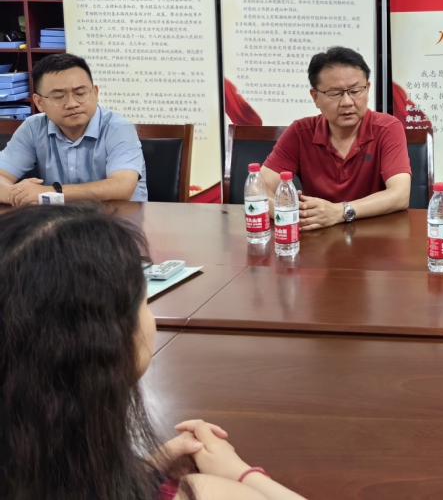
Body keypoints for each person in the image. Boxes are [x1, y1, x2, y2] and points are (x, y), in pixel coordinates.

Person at [0, 203, 308, 499]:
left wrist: (145, 468)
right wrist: (241, 474)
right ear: (105, 338)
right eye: (145, 302)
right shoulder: (206, 493)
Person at [262, 47, 410, 230]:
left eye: (355, 91)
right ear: (315, 97)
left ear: (368, 89)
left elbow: (400, 195)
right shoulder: (300, 132)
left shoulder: (387, 128)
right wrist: (291, 212)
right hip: (317, 237)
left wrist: (340, 211)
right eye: (335, 93)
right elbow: (258, 190)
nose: (347, 102)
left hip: (374, 235)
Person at [0, 53, 147, 205]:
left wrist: (48, 193)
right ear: (39, 102)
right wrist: (19, 195)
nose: (72, 104)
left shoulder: (118, 128)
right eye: (58, 97)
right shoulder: (33, 128)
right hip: (59, 217)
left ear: (95, 93)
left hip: (117, 217)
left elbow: (122, 186)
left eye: (80, 93)